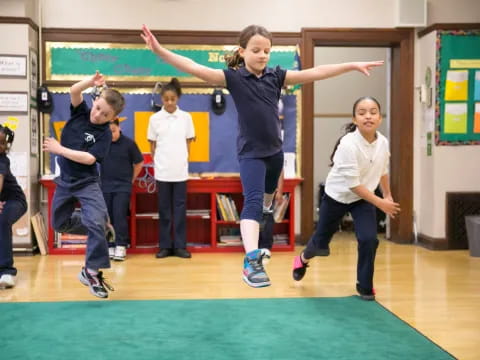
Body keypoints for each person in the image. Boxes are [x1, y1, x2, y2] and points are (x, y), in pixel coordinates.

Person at [141, 24, 383, 288]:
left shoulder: (276, 77)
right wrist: (159, 50)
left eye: (267, 50)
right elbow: (194, 68)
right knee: (253, 204)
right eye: (256, 50)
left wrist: (351, 65)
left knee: (266, 204)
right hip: (251, 155)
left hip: (274, 155)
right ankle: (251, 261)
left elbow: (315, 72)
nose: (263, 55)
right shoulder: (233, 78)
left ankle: (263, 213)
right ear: (242, 51)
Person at [292, 97, 401, 300]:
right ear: (354, 119)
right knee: (320, 244)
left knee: (369, 239)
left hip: (363, 198)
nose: (368, 116)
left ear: (379, 117)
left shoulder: (383, 142)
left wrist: (387, 194)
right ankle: (302, 259)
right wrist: (381, 203)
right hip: (338, 197)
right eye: (362, 112)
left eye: (373, 111)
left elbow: (382, 170)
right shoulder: (347, 144)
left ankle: (365, 286)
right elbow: (354, 185)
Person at [43, 71, 125, 299]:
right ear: (94, 101)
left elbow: (89, 159)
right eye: (97, 107)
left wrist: (59, 150)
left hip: (87, 182)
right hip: (65, 181)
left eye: (105, 114)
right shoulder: (80, 112)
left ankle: (91, 272)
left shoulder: (104, 135)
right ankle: (99, 226)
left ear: (112, 118)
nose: (97, 115)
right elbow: (74, 90)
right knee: (59, 223)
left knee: (96, 222)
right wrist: (91, 82)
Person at [147, 78, 195, 259]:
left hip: (180, 171)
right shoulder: (154, 119)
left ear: (178, 99)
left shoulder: (186, 118)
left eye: (172, 99)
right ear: (161, 99)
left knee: (180, 209)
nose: (169, 102)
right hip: (162, 171)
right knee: (164, 209)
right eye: (165, 99)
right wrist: (159, 162)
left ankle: (180, 246)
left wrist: (183, 160)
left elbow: (188, 142)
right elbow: (152, 146)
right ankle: (165, 246)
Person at [100, 118, 144, 261]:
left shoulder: (129, 144)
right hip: (105, 185)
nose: (110, 134)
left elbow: (139, 162)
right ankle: (110, 245)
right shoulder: (102, 144)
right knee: (107, 217)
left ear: (119, 128)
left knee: (119, 216)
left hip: (122, 186)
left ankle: (121, 245)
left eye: (113, 131)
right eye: (108, 132)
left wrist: (131, 179)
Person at [0, 125, 27, 289]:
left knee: (2, 221)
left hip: (15, 201)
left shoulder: (2, 160)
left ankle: (6, 271)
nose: (1, 146)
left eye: (3, 144)